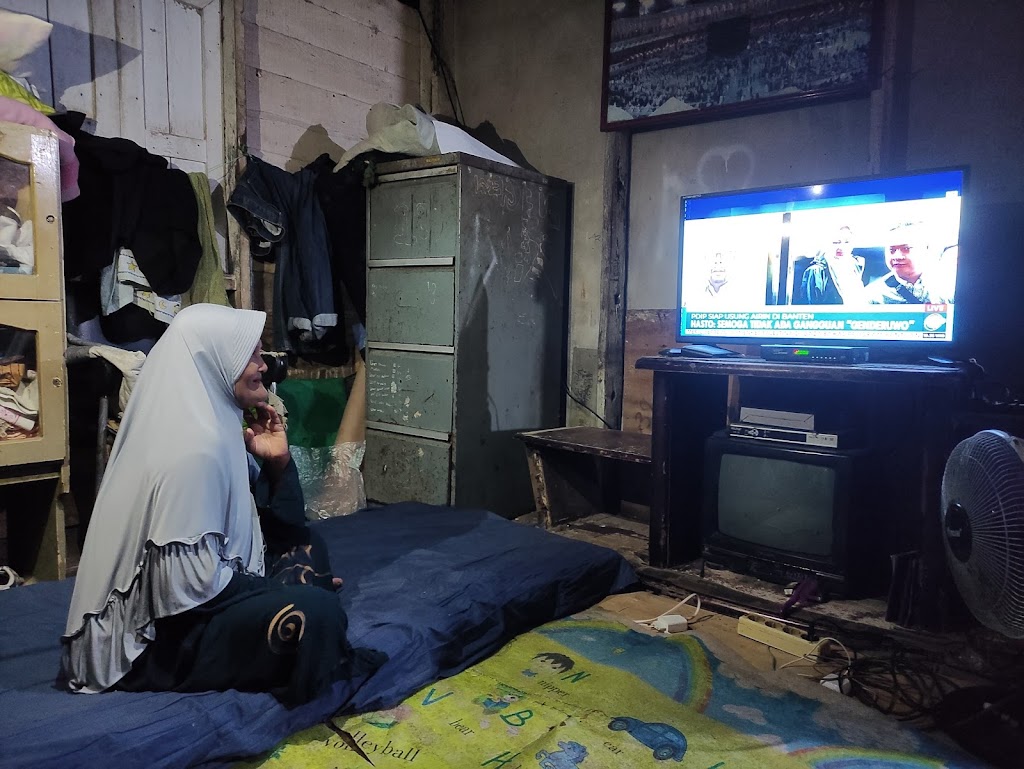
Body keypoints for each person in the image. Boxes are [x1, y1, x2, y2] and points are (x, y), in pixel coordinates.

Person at [61, 303, 379, 705]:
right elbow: (189, 590)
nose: (263, 365)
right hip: (158, 642)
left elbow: (283, 526)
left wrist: (278, 463)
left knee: (309, 547)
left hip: (196, 601)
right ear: (213, 362)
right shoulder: (191, 453)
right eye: (251, 354)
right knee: (316, 612)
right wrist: (276, 591)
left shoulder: (215, 424)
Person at [865, 222, 950, 304]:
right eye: (892, 250)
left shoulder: (947, 286)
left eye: (906, 249)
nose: (897, 256)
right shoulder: (874, 295)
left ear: (925, 249)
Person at [798, 225, 866, 304]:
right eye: (836, 242)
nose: (841, 247)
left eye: (847, 242)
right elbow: (810, 307)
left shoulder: (856, 265)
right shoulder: (815, 271)